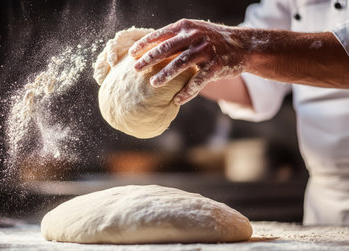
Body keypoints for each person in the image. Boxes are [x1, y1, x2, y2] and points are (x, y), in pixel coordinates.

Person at [129, 0, 349, 226]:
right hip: (327, 200)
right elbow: (251, 81)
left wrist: (240, 47)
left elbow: (246, 52)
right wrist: (187, 62)